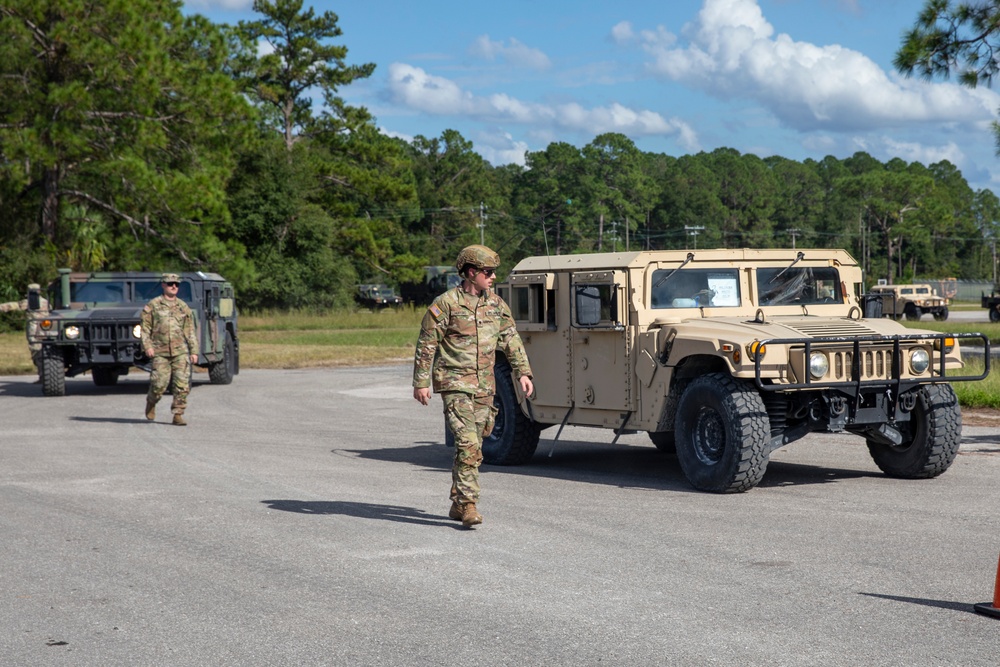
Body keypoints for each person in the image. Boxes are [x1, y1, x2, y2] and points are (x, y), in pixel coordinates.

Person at [412, 244, 534, 529]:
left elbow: (511, 340)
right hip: (455, 384)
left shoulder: (496, 305)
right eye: (488, 272)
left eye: (493, 272)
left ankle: (457, 502)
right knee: (468, 444)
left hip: (484, 385)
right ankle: (469, 504)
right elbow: (427, 344)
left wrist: (523, 373)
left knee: (475, 444)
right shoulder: (446, 304)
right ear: (470, 273)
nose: (493, 277)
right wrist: (421, 382)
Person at [141, 273, 198, 426]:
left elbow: (190, 331)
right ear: (163, 285)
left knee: (182, 385)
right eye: (171, 283)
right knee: (159, 384)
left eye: (177, 284)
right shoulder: (153, 305)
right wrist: (148, 346)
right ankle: (151, 401)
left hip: (180, 352)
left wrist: (194, 351)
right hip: (160, 352)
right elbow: (145, 329)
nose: (174, 286)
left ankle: (178, 414)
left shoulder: (183, 307)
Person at [0, 283, 50, 376]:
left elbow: (14, 305)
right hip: (46, 330)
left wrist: (1, 307)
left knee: (36, 352)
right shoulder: (46, 302)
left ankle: (43, 375)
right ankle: (46, 374)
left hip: (35, 331)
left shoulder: (29, 302)